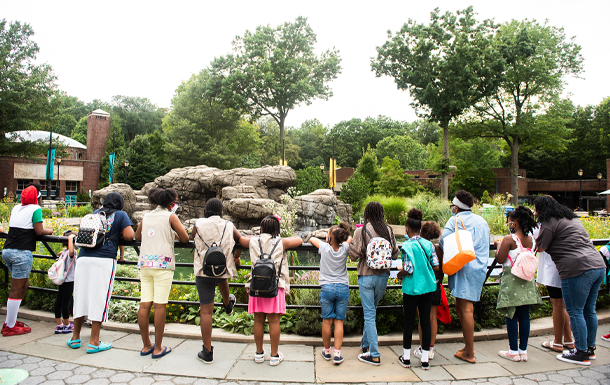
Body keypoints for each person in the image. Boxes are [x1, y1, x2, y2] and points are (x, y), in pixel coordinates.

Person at [534, 196, 606, 366]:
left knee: (575, 311)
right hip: (598, 265)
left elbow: (541, 246)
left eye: (536, 209)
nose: (535, 212)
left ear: (542, 209)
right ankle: (589, 349)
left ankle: (580, 353)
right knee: (589, 310)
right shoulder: (571, 218)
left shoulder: (549, 220)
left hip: (576, 269)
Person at [67, 192, 134, 353]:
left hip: (83, 258)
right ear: (120, 204)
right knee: (99, 297)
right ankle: (94, 341)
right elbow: (129, 235)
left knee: (80, 295)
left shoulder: (94, 214)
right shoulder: (120, 215)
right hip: (103, 260)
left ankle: (75, 338)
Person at [135, 188, 190, 359]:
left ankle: (146, 346)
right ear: (171, 203)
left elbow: (138, 236)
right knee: (159, 305)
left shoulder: (146, 216)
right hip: (163, 265)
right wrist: (171, 234)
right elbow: (185, 238)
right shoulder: (170, 216)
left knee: (144, 304)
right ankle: (158, 347)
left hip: (145, 264)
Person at [191, 198, 246, 364]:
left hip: (203, 270)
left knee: (206, 311)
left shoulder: (198, 223)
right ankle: (227, 303)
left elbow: (192, 237)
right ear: (221, 211)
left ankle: (207, 352)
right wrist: (236, 257)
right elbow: (241, 241)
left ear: (206, 211)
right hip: (222, 268)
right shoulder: (229, 225)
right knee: (221, 277)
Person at [243, 215, 302, 366]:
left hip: (256, 286)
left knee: (258, 320)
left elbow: (239, 239)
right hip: (275, 286)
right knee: (274, 321)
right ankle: (274, 356)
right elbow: (300, 240)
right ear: (276, 229)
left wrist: (253, 235)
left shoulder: (253, 241)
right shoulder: (281, 242)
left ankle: (258, 354)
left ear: (261, 229)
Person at [439, 190, 490, 363]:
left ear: (456, 207)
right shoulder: (482, 221)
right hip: (478, 269)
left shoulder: (455, 220)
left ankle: (470, 353)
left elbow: (443, 241)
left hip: (462, 268)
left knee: (466, 308)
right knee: (461, 305)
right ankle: (468, 347)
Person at [349, 201, 399, 366]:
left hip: (366, 276)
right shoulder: (388, 230)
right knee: (372, 311)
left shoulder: (361, 230)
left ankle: (375, 355)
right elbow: (395, 254)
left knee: (369, 314)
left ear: (367, 214)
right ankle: (365, 345)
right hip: (383, 276)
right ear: (381, 214)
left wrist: (350, 242)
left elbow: (353, 256)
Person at [2, 184, 53, 336]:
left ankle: (11, 320)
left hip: (8, 250)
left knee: (24, 284)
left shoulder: (16, 208)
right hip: (21, 253)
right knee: (16, 288)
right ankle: (9, 326)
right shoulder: (35, 209)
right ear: (37, 197)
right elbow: (39, 231)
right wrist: (49, 230)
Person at [493, 206, 542, 362]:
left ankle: (513, 351)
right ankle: (523, 351)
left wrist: (498, 245)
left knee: (511, 315)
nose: (509, 224)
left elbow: (500, 259)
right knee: (524, 316)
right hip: (527, 280)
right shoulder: (533, 241)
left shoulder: (509, 239)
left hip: (511, 280)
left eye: (510, 222)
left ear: (514, 223)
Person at [396, 209, 440, 370]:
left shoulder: (407, 246)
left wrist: (399, 274)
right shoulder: (428, 244)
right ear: (420, 229)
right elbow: (436, 266)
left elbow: (408, 269)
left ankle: (406, 358)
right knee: (426, 322)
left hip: (411, 289)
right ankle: (425, 360)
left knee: (408, 322)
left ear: (407, 228)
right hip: (428, 288)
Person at [308, 222, 352, 365]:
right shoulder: (345, 247)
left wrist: (327, 237)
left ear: (329, 237)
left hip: (326, 288)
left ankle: (327, 351)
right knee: (339, 321)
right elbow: (349, 238)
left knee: (327, 321)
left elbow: (311, 239)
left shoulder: (324, 247)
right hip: (342, 288)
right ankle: (337, 354)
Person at [535, 224, 575, 353]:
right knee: (562, 304)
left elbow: (538, 246)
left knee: (557, 304)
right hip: (563, 267)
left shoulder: (545, 226)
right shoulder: (562, 224)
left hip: (552, 269)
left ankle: (557, 342)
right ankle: (568, 339)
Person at [413, 221, 443, 362]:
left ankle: (422, 347)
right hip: (436, 285)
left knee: (422, 318)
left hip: (422, 286)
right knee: (432, 317)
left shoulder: (419, 247)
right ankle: (430, 348)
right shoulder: (438, 249)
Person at [54, 231, 78, 334]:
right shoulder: (72, 252)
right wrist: (71, 239)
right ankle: (67, 325)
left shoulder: (64, 252)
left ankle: (59, 325)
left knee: (59, 302)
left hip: (62, 280)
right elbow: (72, 253)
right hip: (69, 280)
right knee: (65, 303)